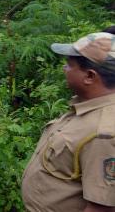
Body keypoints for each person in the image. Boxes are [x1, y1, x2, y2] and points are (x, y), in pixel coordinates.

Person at [22, 32, 115, 212]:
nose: (65, 69)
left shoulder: (104, 133)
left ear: (89, 76)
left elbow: (101, 208)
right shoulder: (85, 106)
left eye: (69, 65)